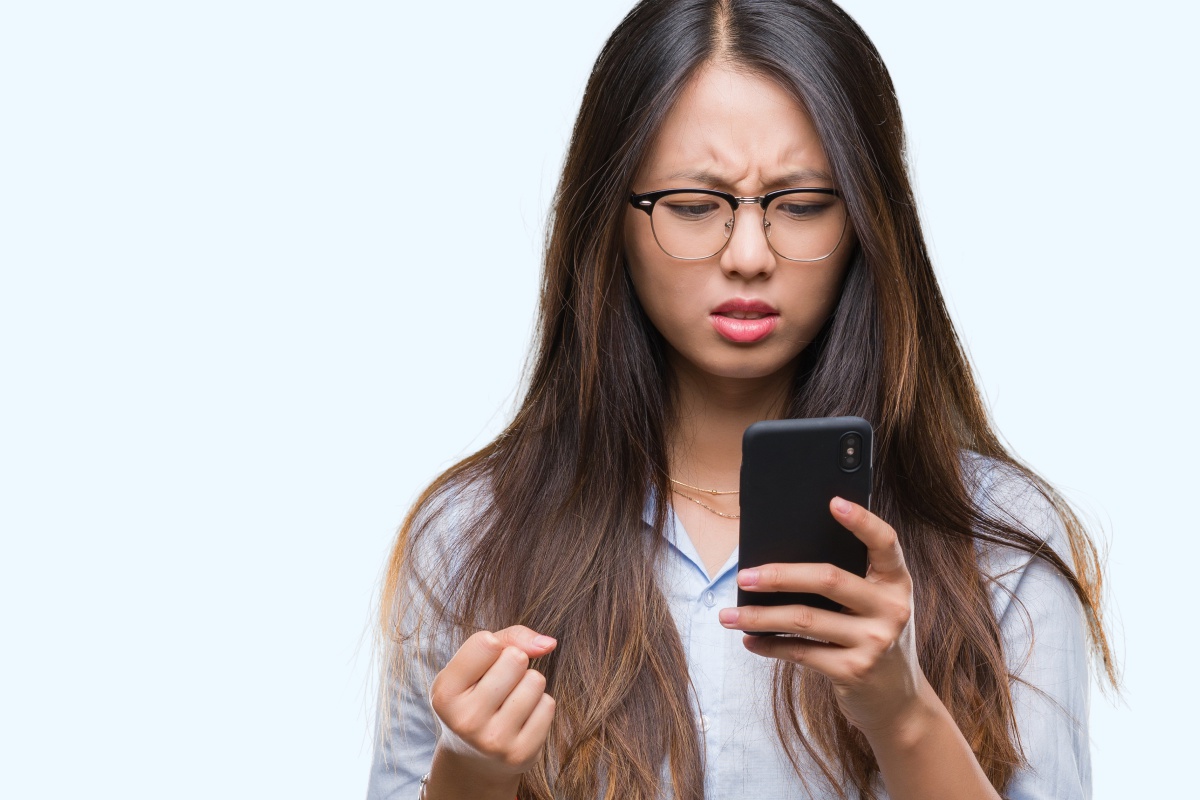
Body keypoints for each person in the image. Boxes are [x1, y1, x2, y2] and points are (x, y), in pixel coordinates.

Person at [368, 1, 1116, 798]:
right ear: (608, 218)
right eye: (695, 206)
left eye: (803, 204)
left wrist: (903, 714)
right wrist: (471, 773)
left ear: (868, 219)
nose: (750, 255)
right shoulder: (469, 535)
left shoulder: (1002, 543)